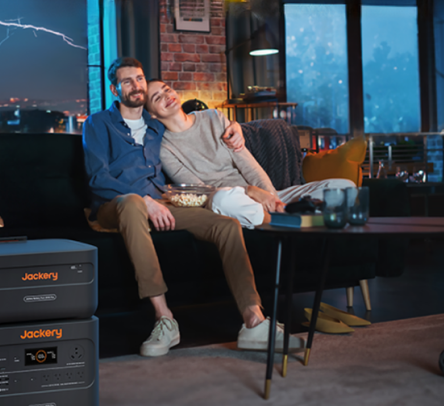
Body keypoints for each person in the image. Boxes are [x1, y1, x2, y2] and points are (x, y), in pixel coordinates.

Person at [82, 57, 304, 357]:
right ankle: (165, 319)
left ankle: (254, 321)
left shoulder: (155, 124)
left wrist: (236, 126)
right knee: (134, 203)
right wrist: (145, 201)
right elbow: (98, 178)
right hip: (116, 205)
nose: (136, 86)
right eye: (127, 81)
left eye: (139, 78)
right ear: (113, 89)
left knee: (225, 225)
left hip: (162, 202)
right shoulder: (98, 123)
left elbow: (196, 121)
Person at [144, 79, 355, 228]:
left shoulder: (213, 117)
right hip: (235, 202)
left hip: (266, 197)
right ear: (152, 114)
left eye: (166, 89)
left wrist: (272, 197)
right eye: (157, 97)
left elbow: (245, 161)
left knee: (346, 187)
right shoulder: (166, 149)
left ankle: (286, 214)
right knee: (221, 200)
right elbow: (203, 192)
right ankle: (291, 218)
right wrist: (251, 192)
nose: (166, 96)